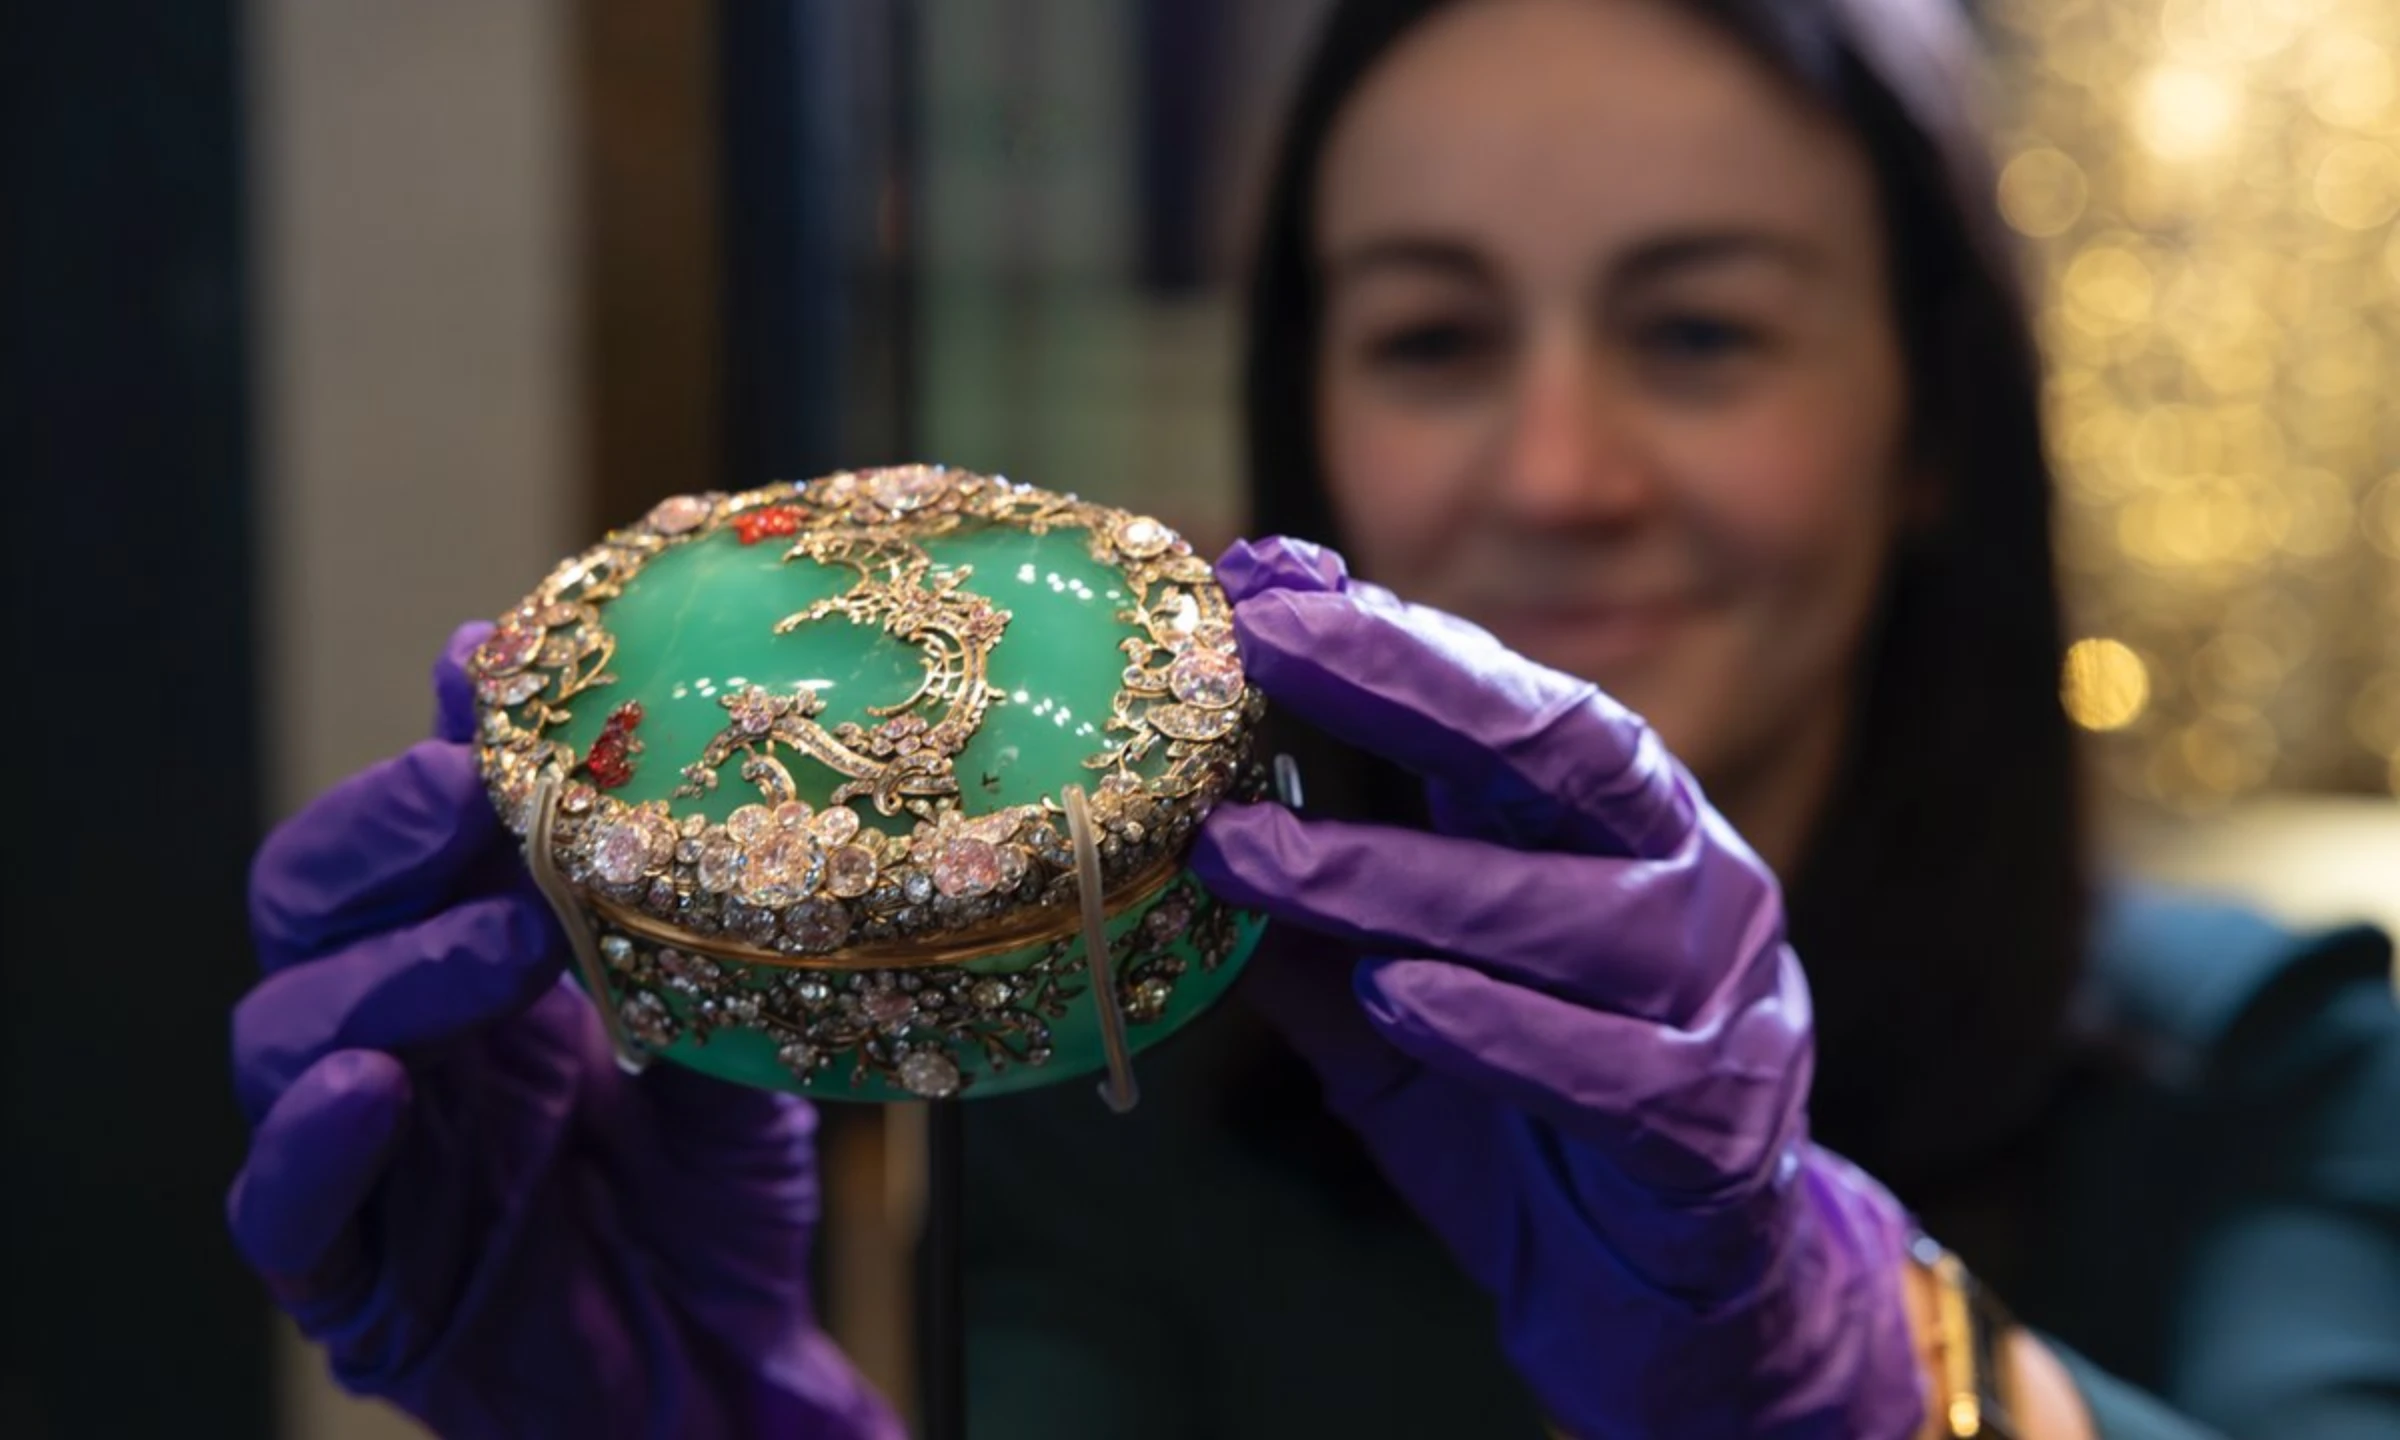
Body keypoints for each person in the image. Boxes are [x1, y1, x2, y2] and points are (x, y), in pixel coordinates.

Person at [229, 0, 2400, 1436]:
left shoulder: (2279, 1064)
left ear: (1932, 427)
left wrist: (1860, 1367)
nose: (1558, 471)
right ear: (1310, 422)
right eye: (1435, 338)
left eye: (1705, 333)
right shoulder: (1101, 1060)